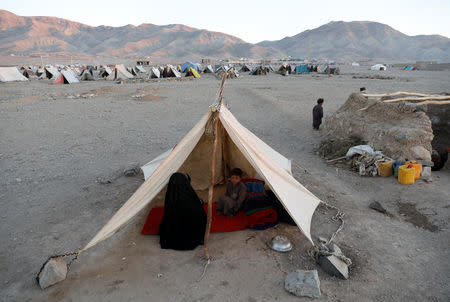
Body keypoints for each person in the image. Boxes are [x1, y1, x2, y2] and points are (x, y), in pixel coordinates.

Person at [159, 173, 206, 250]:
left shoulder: (170, 194)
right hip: (187, 230)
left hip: (172, 229)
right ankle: (199, 238)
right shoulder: (185, 195)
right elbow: (195, 207)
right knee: (201, 215)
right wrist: (199, 203)